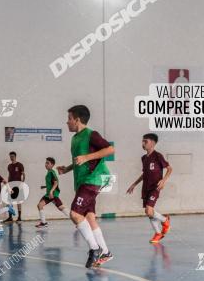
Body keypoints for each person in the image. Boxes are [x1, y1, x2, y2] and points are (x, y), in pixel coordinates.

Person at [57, 105, 115, 268]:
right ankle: (105, 251)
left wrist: (88, 157)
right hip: (83, 180)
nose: (67, 122)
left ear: (77, 119)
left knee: (75, 214)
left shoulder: (91, 134)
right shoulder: (74, 138)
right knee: (89, 217)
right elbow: (80, 160)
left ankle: (94, 249)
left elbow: (110, 149)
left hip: (94, 179)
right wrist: (67, 169)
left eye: (69, 118)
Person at [126, 133, 172, 243]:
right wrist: (134, 184)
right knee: (149, 212)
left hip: (155, 187)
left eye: (145, 141)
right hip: (145, 187)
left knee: (148, 210)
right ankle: (158, 232)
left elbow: (170, 169)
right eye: (142, 141)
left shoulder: (158, 156)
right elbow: (145, 174)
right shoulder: (143, 158)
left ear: (152, 143)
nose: (143, 143)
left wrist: (163, 180)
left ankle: (165, 221)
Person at [37, 157, 69, 227]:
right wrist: (45, 186)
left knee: (60, 207)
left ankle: (76, 218)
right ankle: (43, 223)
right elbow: (51, 183)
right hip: (49, 194)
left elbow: (56, 183)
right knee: (41, 205)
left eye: (48, 163)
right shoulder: (49, 172)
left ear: (52, 165)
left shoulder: (51, 172)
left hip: (52, 194)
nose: (46, 164)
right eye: (46, 163)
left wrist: (51, 192)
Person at [6, 151, 25, 222]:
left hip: (18, 185)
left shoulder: (20, 165)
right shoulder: (9, 166)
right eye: (10, 156)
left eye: (12, 156)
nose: (11, 158)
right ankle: (10, 217)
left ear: (15, 156)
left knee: (18, 201)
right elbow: (9, 175)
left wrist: (22, 184)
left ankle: (19, 217)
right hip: (11, 185)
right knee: (9, 201)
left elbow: (23, 175)